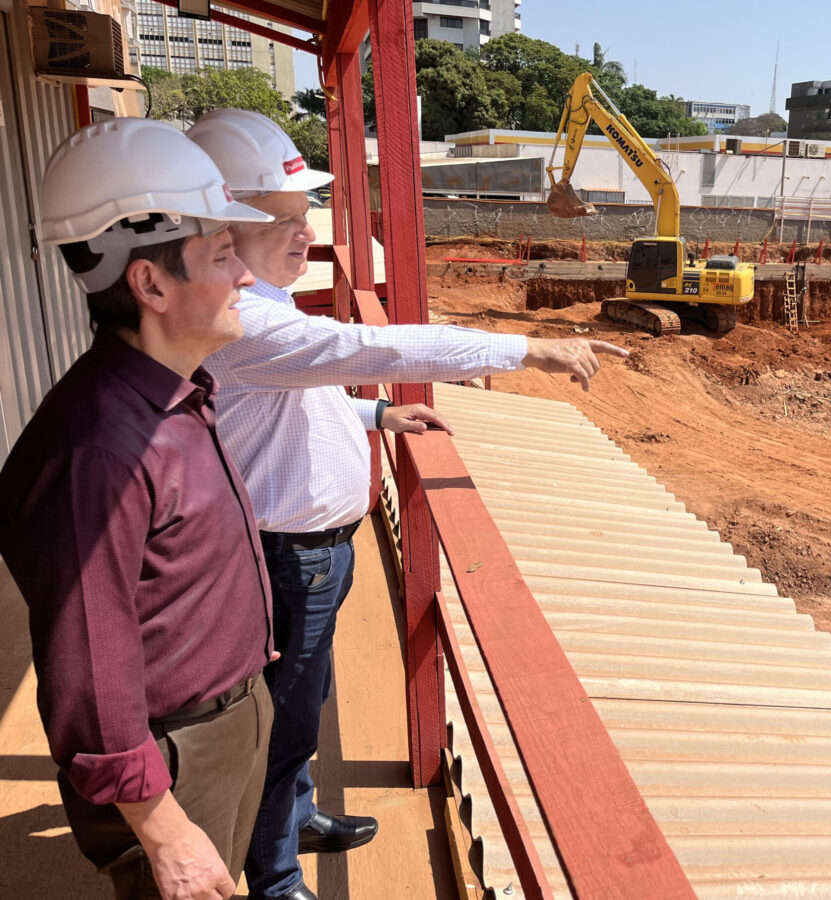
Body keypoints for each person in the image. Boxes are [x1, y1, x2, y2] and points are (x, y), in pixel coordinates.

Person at [187, 108, 628, 900]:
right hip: (290, 556)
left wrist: (377, 415)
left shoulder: (263, 302)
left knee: (307, 701)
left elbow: (298, 396)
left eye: (303, 217)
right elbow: (370, 349)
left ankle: (297, 816)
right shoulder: (242, 318)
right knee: (283, 725)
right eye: (281, 221)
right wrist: (526, 348)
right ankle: (275, 876)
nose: (303, 235)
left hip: (317, 548)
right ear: (219, 228)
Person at [0, 118, 279, 899]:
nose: (246, 278)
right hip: (175, 759)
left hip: (223, 725)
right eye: (224, 257)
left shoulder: (174, 394)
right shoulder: (98, 450)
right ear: (150, 285)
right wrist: (162, 829)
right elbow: (90, 671)